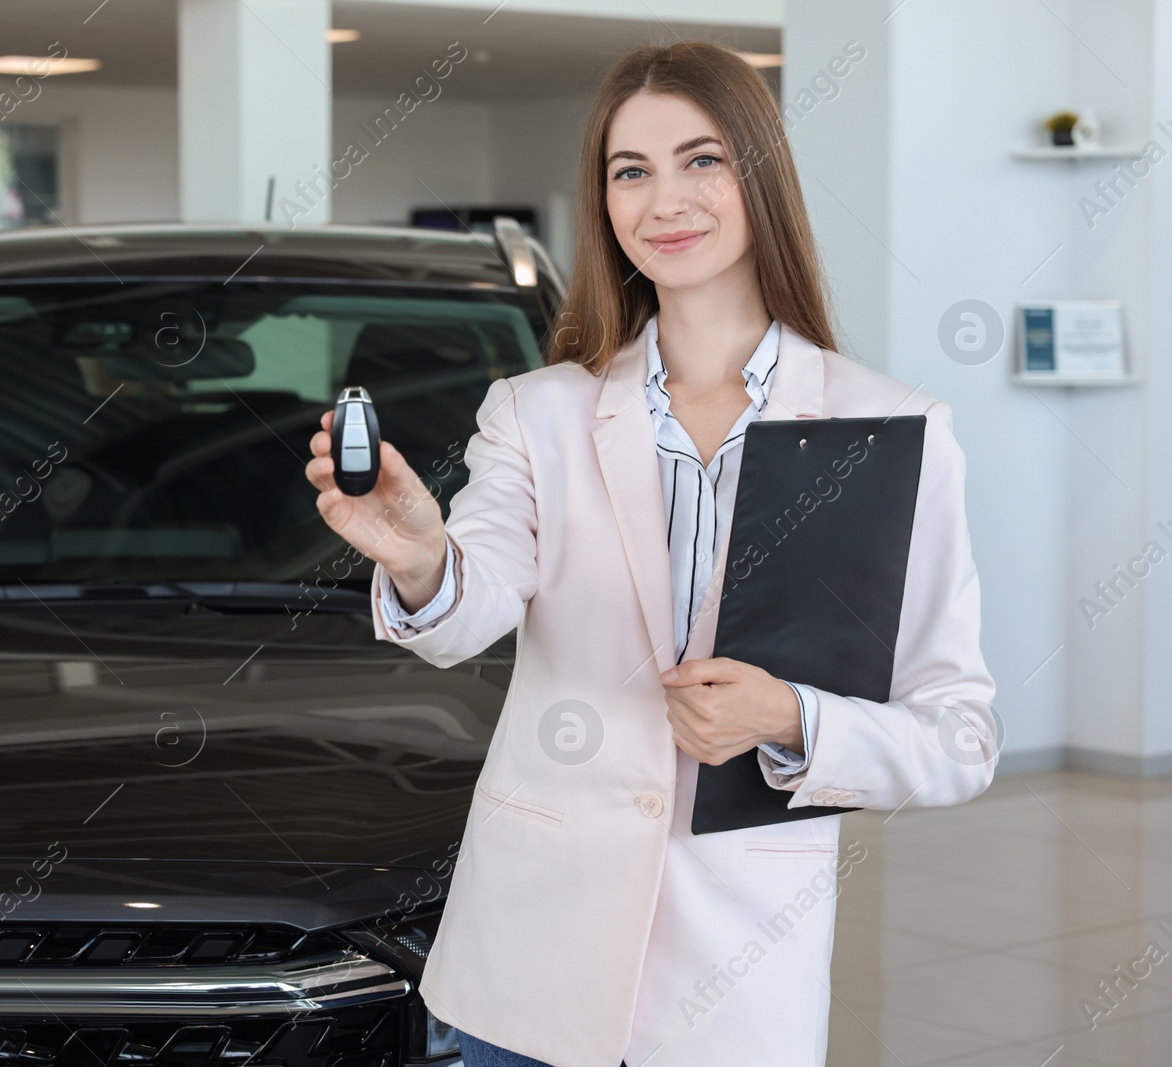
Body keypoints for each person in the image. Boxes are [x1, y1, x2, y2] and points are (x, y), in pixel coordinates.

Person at [305, 40, 998, 1067]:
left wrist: (792, 719)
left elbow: (959, 736)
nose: (663, 198)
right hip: (528, 966)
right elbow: (472, 600)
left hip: (736, 979)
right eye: (630, 171)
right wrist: (417, 555)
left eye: (701, 159)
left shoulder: (891, 429)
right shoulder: (536, 413)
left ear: (759, 174)